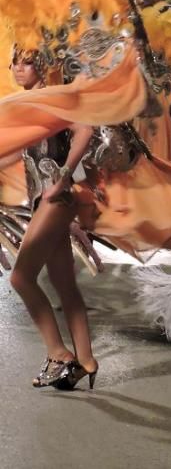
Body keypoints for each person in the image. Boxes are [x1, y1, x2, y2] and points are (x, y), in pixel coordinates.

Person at [1, 49, 97, 390]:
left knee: (21, 277)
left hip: (57, 198)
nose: (18, 68)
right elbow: (16, 152)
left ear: (42, 65)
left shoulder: (53, 98)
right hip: (45, 198)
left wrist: (65, 176)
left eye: (26, 62)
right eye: (14, 62)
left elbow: (85, 130)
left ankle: (58, 353)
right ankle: (85, 359)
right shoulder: (28, 103)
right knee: (64, 285)